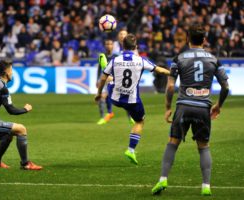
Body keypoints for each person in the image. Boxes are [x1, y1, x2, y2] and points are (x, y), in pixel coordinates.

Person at [151, 23, 229, 196]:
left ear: (187, 39)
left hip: (183, 106)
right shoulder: (214, 60)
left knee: (173, 142)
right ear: (204, 39)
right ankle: (206, 186)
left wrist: (167, 108)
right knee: (204, 147)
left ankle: (163, 179)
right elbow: (225, 87)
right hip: (203, 108)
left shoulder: (179, 58)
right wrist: (219, 106)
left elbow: (170, 87)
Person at [95, 34, 170, 165]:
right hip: (132, 99)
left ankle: (105, 69)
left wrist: (99, 93)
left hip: (115, 98)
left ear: (122, 46)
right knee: (140, 121)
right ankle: (130, 149)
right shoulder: (141, 60)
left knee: (109, 79)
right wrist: (175, 72)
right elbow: (160, 71)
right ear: (135, 47)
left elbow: (101, 79)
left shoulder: (115, 60)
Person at [96, 39, 116, 125]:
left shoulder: (116, 56)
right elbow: (99, 68)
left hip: (113, 80)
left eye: (110, 44)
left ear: (113, 46)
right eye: (107, 44)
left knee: (107, 97)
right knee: (102, 97)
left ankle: (109, 113)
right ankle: (103, 117)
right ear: (105, 46)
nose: (109, 46)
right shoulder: (102, 56)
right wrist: (97, 80)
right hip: (104, 80)